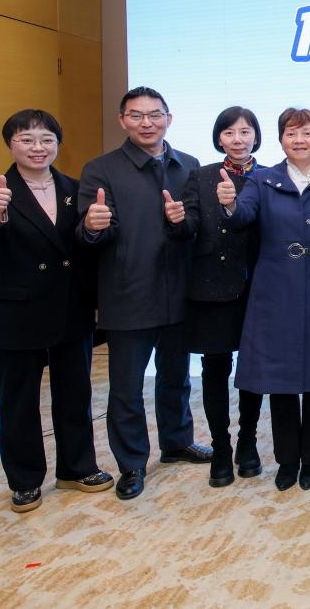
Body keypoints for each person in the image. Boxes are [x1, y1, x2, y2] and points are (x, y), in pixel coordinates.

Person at [0, 110, 113, 512]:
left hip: (69, 305)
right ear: (10, 144)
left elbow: (84, 247)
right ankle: (25, 480)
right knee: (18, 401)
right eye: (27, 139)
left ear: (57, 144)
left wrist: (94, 228)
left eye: (47, 139)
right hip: (16, 310)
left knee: (75, 393)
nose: (38, 147)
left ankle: (76, 468)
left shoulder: (75, 188)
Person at [78, 86, 210, 501]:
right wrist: (93, 225)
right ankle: (132, 463)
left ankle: (177, 441)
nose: (147, 123)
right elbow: (88, 236)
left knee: (176, 377)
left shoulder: (189, 165)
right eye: (136, 115)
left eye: (155, 115)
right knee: (126, 388)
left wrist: (182, 221)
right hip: (128, 294)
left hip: (179, 292)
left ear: (169, 118)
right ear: (122, 121)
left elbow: (196, 228)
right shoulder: (101, 170)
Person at [219, 108, 310, 491]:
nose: (299, 140)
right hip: (273, 289)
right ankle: (286, 459)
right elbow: (243, 215)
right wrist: (230, 203)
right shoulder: (262, 180)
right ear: (280, 140)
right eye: (291, 133)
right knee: (279, 380)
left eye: (307, 133)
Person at [167, 106, 266, 488]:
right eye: (229, 133)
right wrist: (177, 220)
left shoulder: (268, 176)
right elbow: (189, 225)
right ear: (219, 138)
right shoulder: (201, 176)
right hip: (211, 286)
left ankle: (248, 442)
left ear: (256, 136)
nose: (238, 140)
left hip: (258, 287)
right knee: (215, 369)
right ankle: (221, 448)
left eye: (245, 132)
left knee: (253, 369)